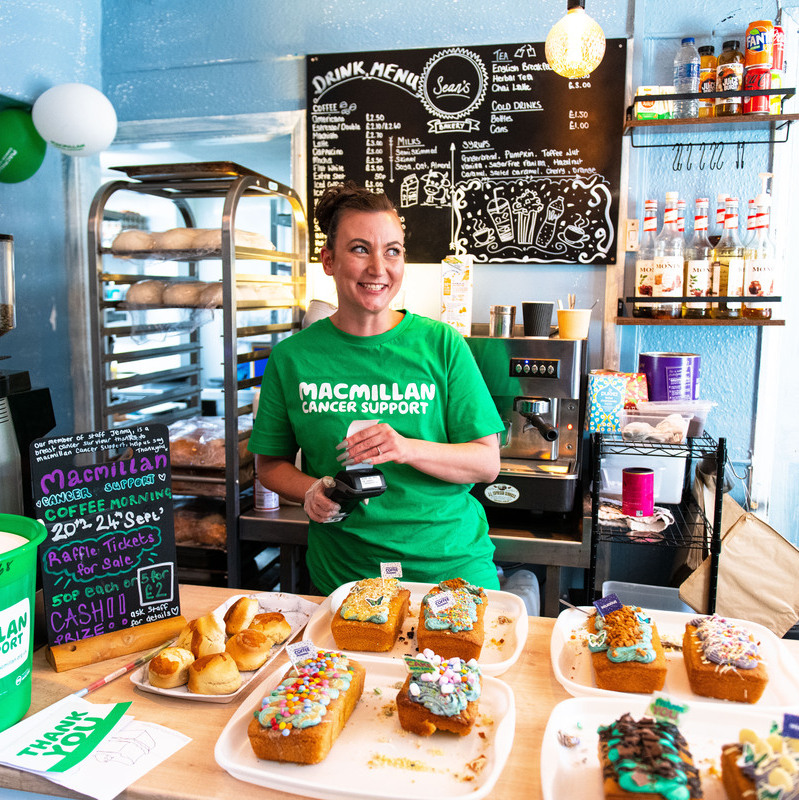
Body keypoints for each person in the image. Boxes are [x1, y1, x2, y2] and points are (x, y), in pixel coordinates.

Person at [248, 181, 503, 596]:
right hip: (347, 578)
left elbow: (485, 463)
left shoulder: (441, 344)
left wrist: (405, 447)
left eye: (393, 251)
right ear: (328, 260)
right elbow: (269, 465)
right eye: (360, 249)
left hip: (451, 571)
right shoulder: (292, 358)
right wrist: (311, 489)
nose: (379, 269)